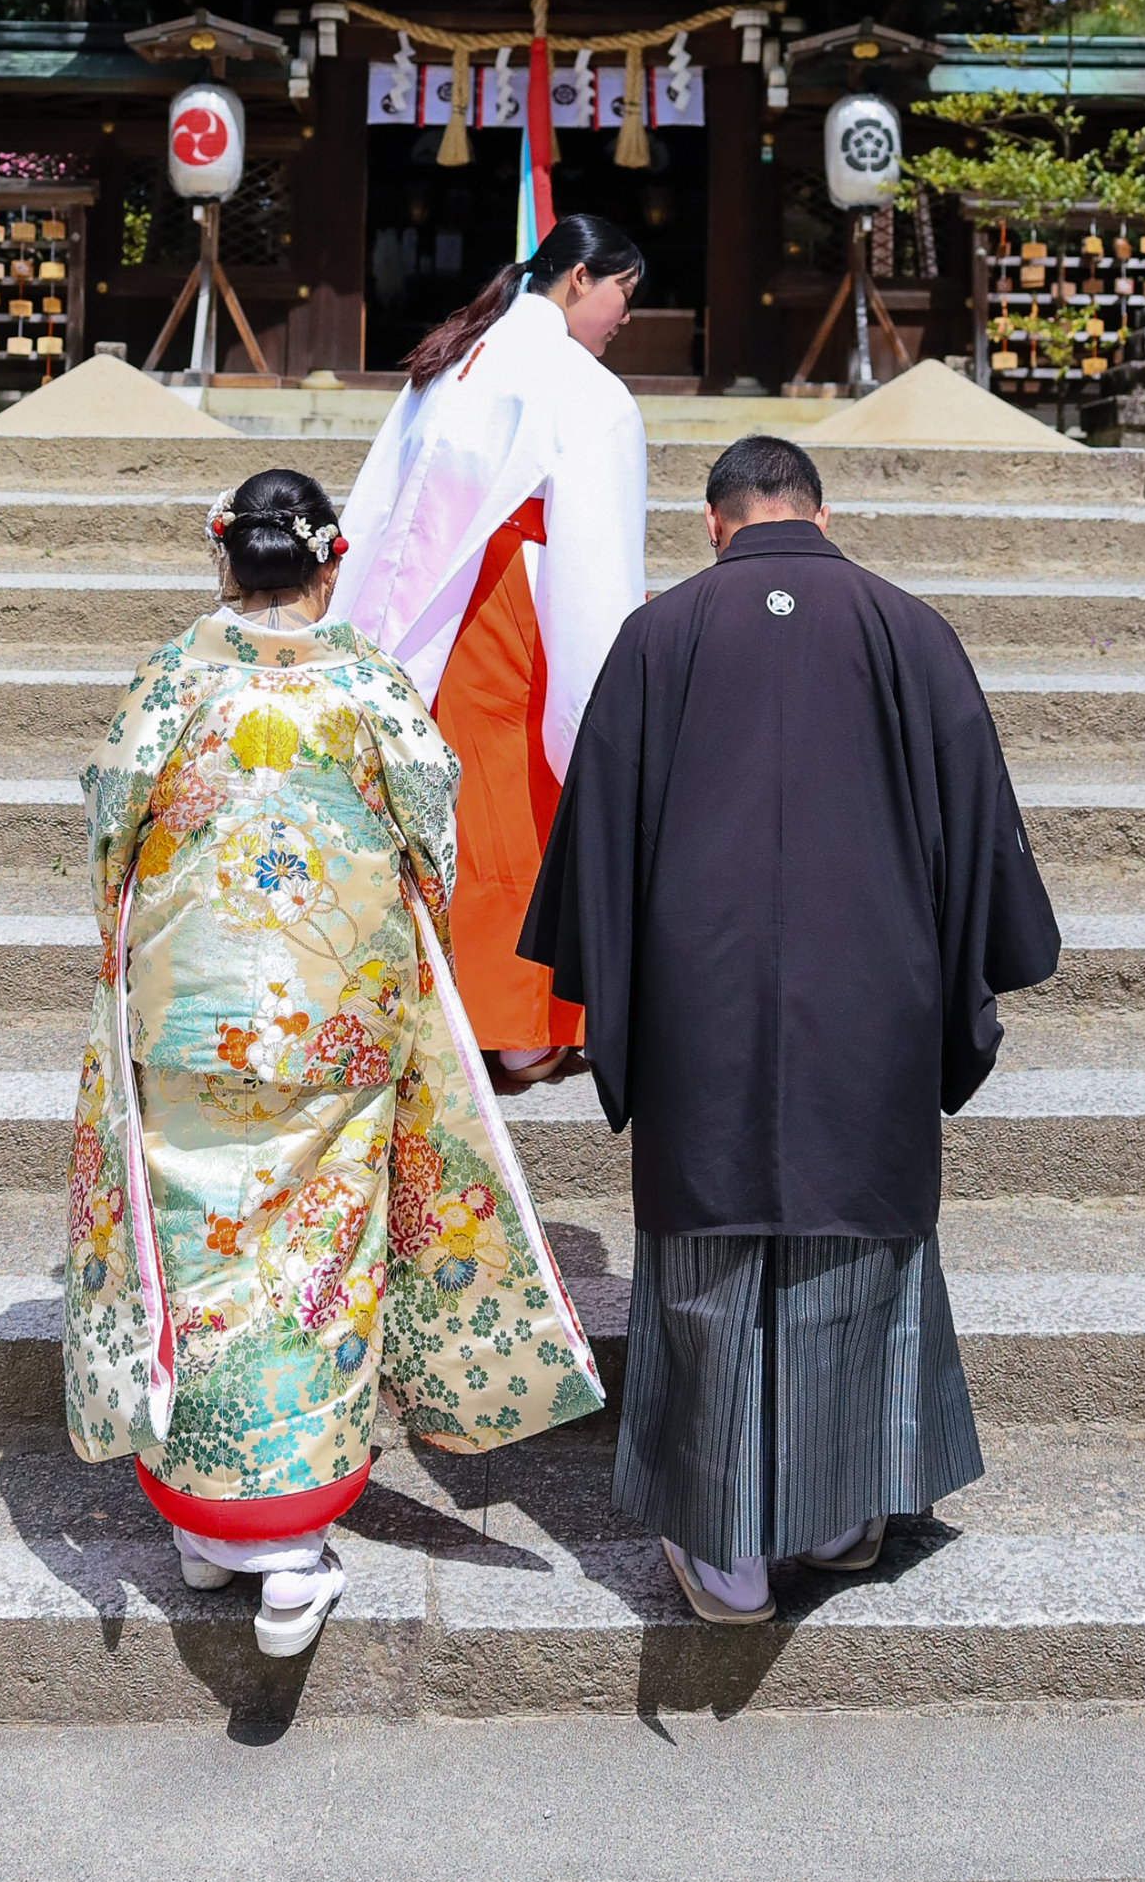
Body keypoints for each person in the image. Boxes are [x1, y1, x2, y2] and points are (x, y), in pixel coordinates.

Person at [519, 428, 1062, 1624]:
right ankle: (835, 1514)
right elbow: (976, 822)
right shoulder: (907, 628)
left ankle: (721, 1555)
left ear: (713, 522)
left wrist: (599, 993)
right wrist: (961, 975)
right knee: (850, 1240)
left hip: (697, 999)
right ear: (821, 512)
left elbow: (598, 830)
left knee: (710, 1247)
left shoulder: (659, 635)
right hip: (869, 993)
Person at [64, 464, 601, 1661]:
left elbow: (109, 827)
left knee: (205, 1263)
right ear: (331, 560)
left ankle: (212, 1522)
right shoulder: (369, 685)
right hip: (338, 1015)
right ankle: (286, 1548)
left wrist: (153, 941)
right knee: (314, 1267)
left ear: (223, 559)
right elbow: (434, 828)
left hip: (189, 1019)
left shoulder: (168, 680)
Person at [336, 210, 648, 1088]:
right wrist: (607, 681)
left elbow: (380, 500)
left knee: (453, 811)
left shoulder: (456, 355)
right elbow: (597, 541)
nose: (623, 318)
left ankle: (424, 1000)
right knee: (511, 805)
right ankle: (515, 1022)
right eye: (622, 294)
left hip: (433, 607)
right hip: (519, 601)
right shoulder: (579, 385)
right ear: (580, 279)